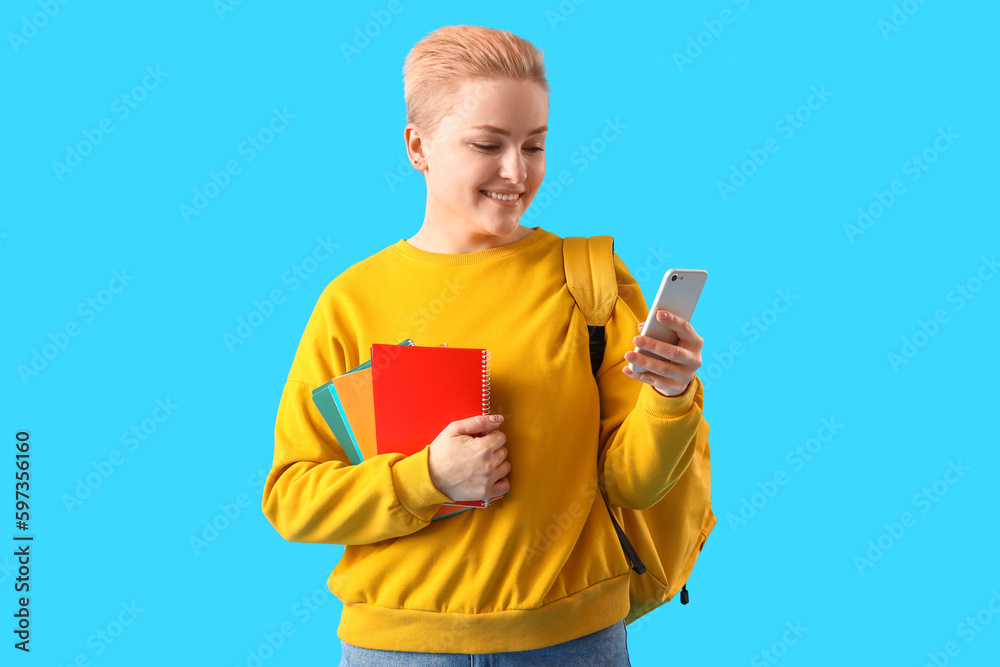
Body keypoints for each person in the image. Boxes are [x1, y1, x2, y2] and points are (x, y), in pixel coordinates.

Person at [261, 24, 706, 666]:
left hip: (571, 643)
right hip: (398, 650)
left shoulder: (589, 281)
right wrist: (427, 479)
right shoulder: (353, 302)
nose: (515, 172)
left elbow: (633, 485)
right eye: (486, 144)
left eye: (535, 145)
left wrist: (669, 396)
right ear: (418, 146)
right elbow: (292, 499)